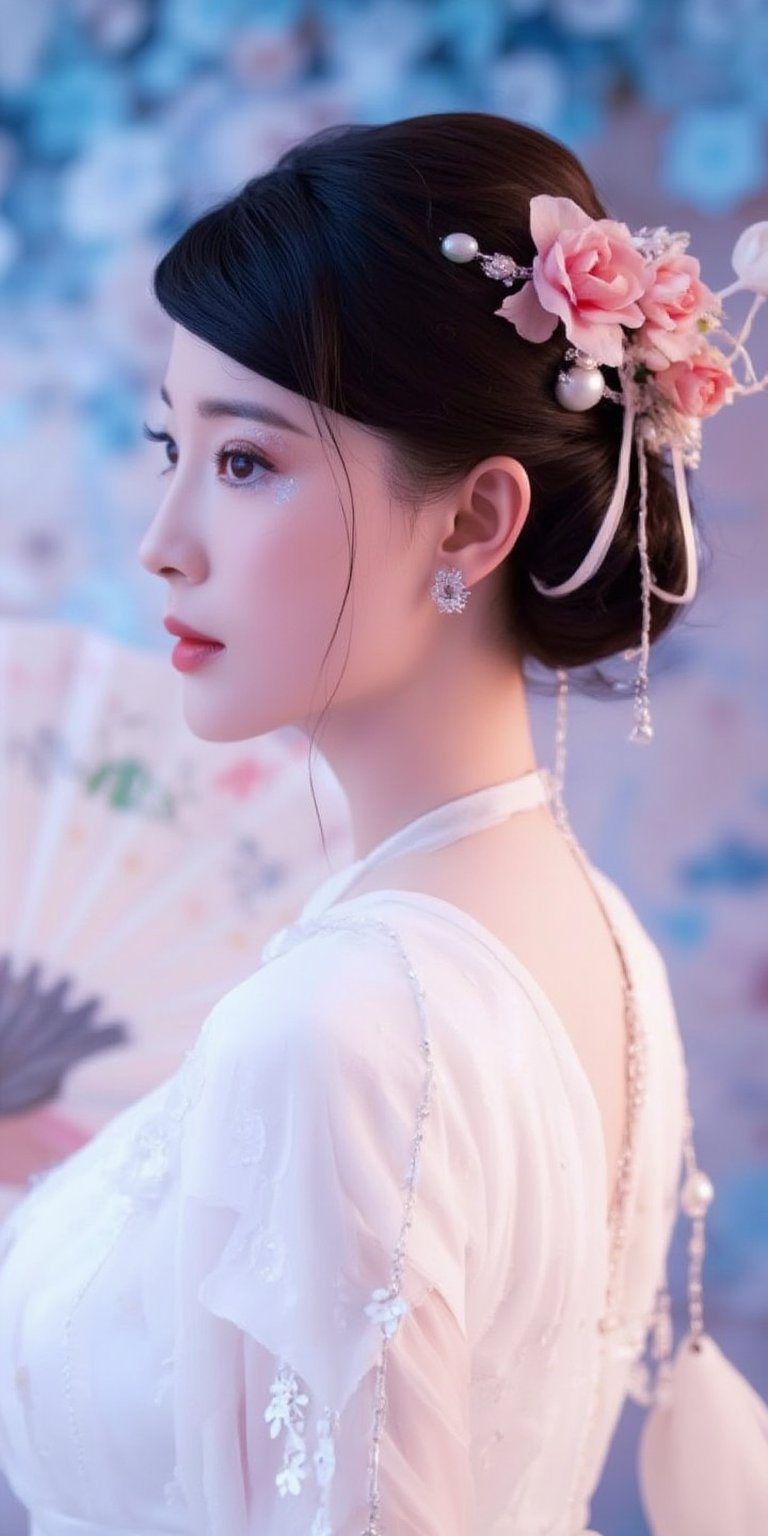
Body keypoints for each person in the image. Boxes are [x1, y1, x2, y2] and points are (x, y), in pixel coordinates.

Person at [0, 112, 765, 1536]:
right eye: (175, 446)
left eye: (246, 464)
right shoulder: (594, 939)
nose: (162, 537)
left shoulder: (339, 1024)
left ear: (475, 523)